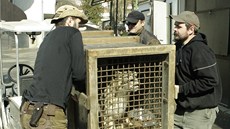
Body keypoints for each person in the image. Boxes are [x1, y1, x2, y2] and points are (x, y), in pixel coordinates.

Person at [20, 5, 88, 129]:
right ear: (70, 20)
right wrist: (85, 91)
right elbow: (79, 73)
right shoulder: (73, 32)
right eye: (78, 23)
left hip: (28, 110)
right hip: (48, 116)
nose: (79, 27)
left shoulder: (47, 37)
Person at [170, 11, 222, 129]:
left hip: (200, 112)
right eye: (175, 25)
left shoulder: (200, 50)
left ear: (191, 29)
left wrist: (181, 89)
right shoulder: (179, 47)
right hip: (181, 110)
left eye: (179, 26)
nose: (174, 29)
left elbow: (210, 80)